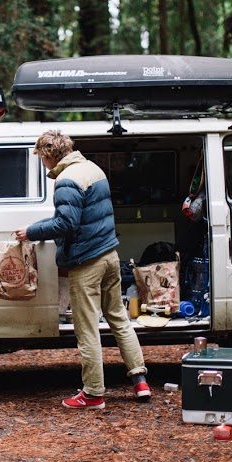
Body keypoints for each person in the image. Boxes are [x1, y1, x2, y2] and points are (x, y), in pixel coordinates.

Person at [15, 130, 150, 409]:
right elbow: (82, 215)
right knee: (119, 319)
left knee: (86, 328)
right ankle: (140, 381)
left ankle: (93, 394)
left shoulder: (66, 180)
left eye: (41, 158)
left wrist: (30, 232)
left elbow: (66, 224)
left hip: (87, 263)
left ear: (50, 155)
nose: (42, 163)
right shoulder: (92, 169)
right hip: (110, 255)